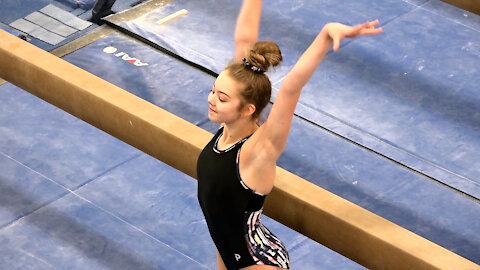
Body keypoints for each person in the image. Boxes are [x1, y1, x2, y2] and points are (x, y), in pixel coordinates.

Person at [197, 1, 383, 269]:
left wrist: (326, 34)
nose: (211, 99)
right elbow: (244, 37)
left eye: (222, 98)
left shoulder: (260, 149)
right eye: (213, 90)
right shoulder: (235, 106)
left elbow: (291, 89)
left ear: (248, 109)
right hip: (229, 251)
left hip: (258, 261)